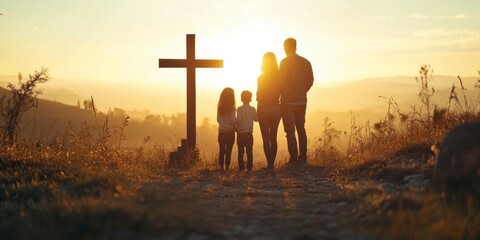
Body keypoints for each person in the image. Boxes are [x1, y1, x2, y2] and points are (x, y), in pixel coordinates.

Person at [279, 38, 314, 164]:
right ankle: (303, 157)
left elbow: (281, 81)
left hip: (288, 102)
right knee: (301, 129)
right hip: (302, 101)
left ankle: (293, 158)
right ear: (295, 46)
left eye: (284, 47)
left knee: (290, 131)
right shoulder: (306, 62)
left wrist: (281, 94)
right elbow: (310, 80)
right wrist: (303, 91)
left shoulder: (284, 62)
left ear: (286, 47)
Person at [257, 52, 281, 170]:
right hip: (276, 108)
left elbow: (258, 95)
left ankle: (270, 164)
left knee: (266, 138)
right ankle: (272, 163)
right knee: (274, 137)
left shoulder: (261, 78)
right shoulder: (279, 77)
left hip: (263, 108)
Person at [236, 90, 258, 171]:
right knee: (249, 151)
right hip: (249, 133)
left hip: (240, 133)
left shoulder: (239, 109)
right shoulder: (252, 109)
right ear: (250, 99)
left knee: (240, 151)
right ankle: (249, 167)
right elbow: (256, 119)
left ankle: (241, 167)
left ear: (241, 99)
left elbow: (238, 120)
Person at [217, 87, 236, 171]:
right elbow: (233, 121)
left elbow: (218, 120)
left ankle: (221, 166)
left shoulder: (219, 108)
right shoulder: (232, 109)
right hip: (230, 133)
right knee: (228, 151)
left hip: (221, 132)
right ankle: (227, 166)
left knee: (221, 150)